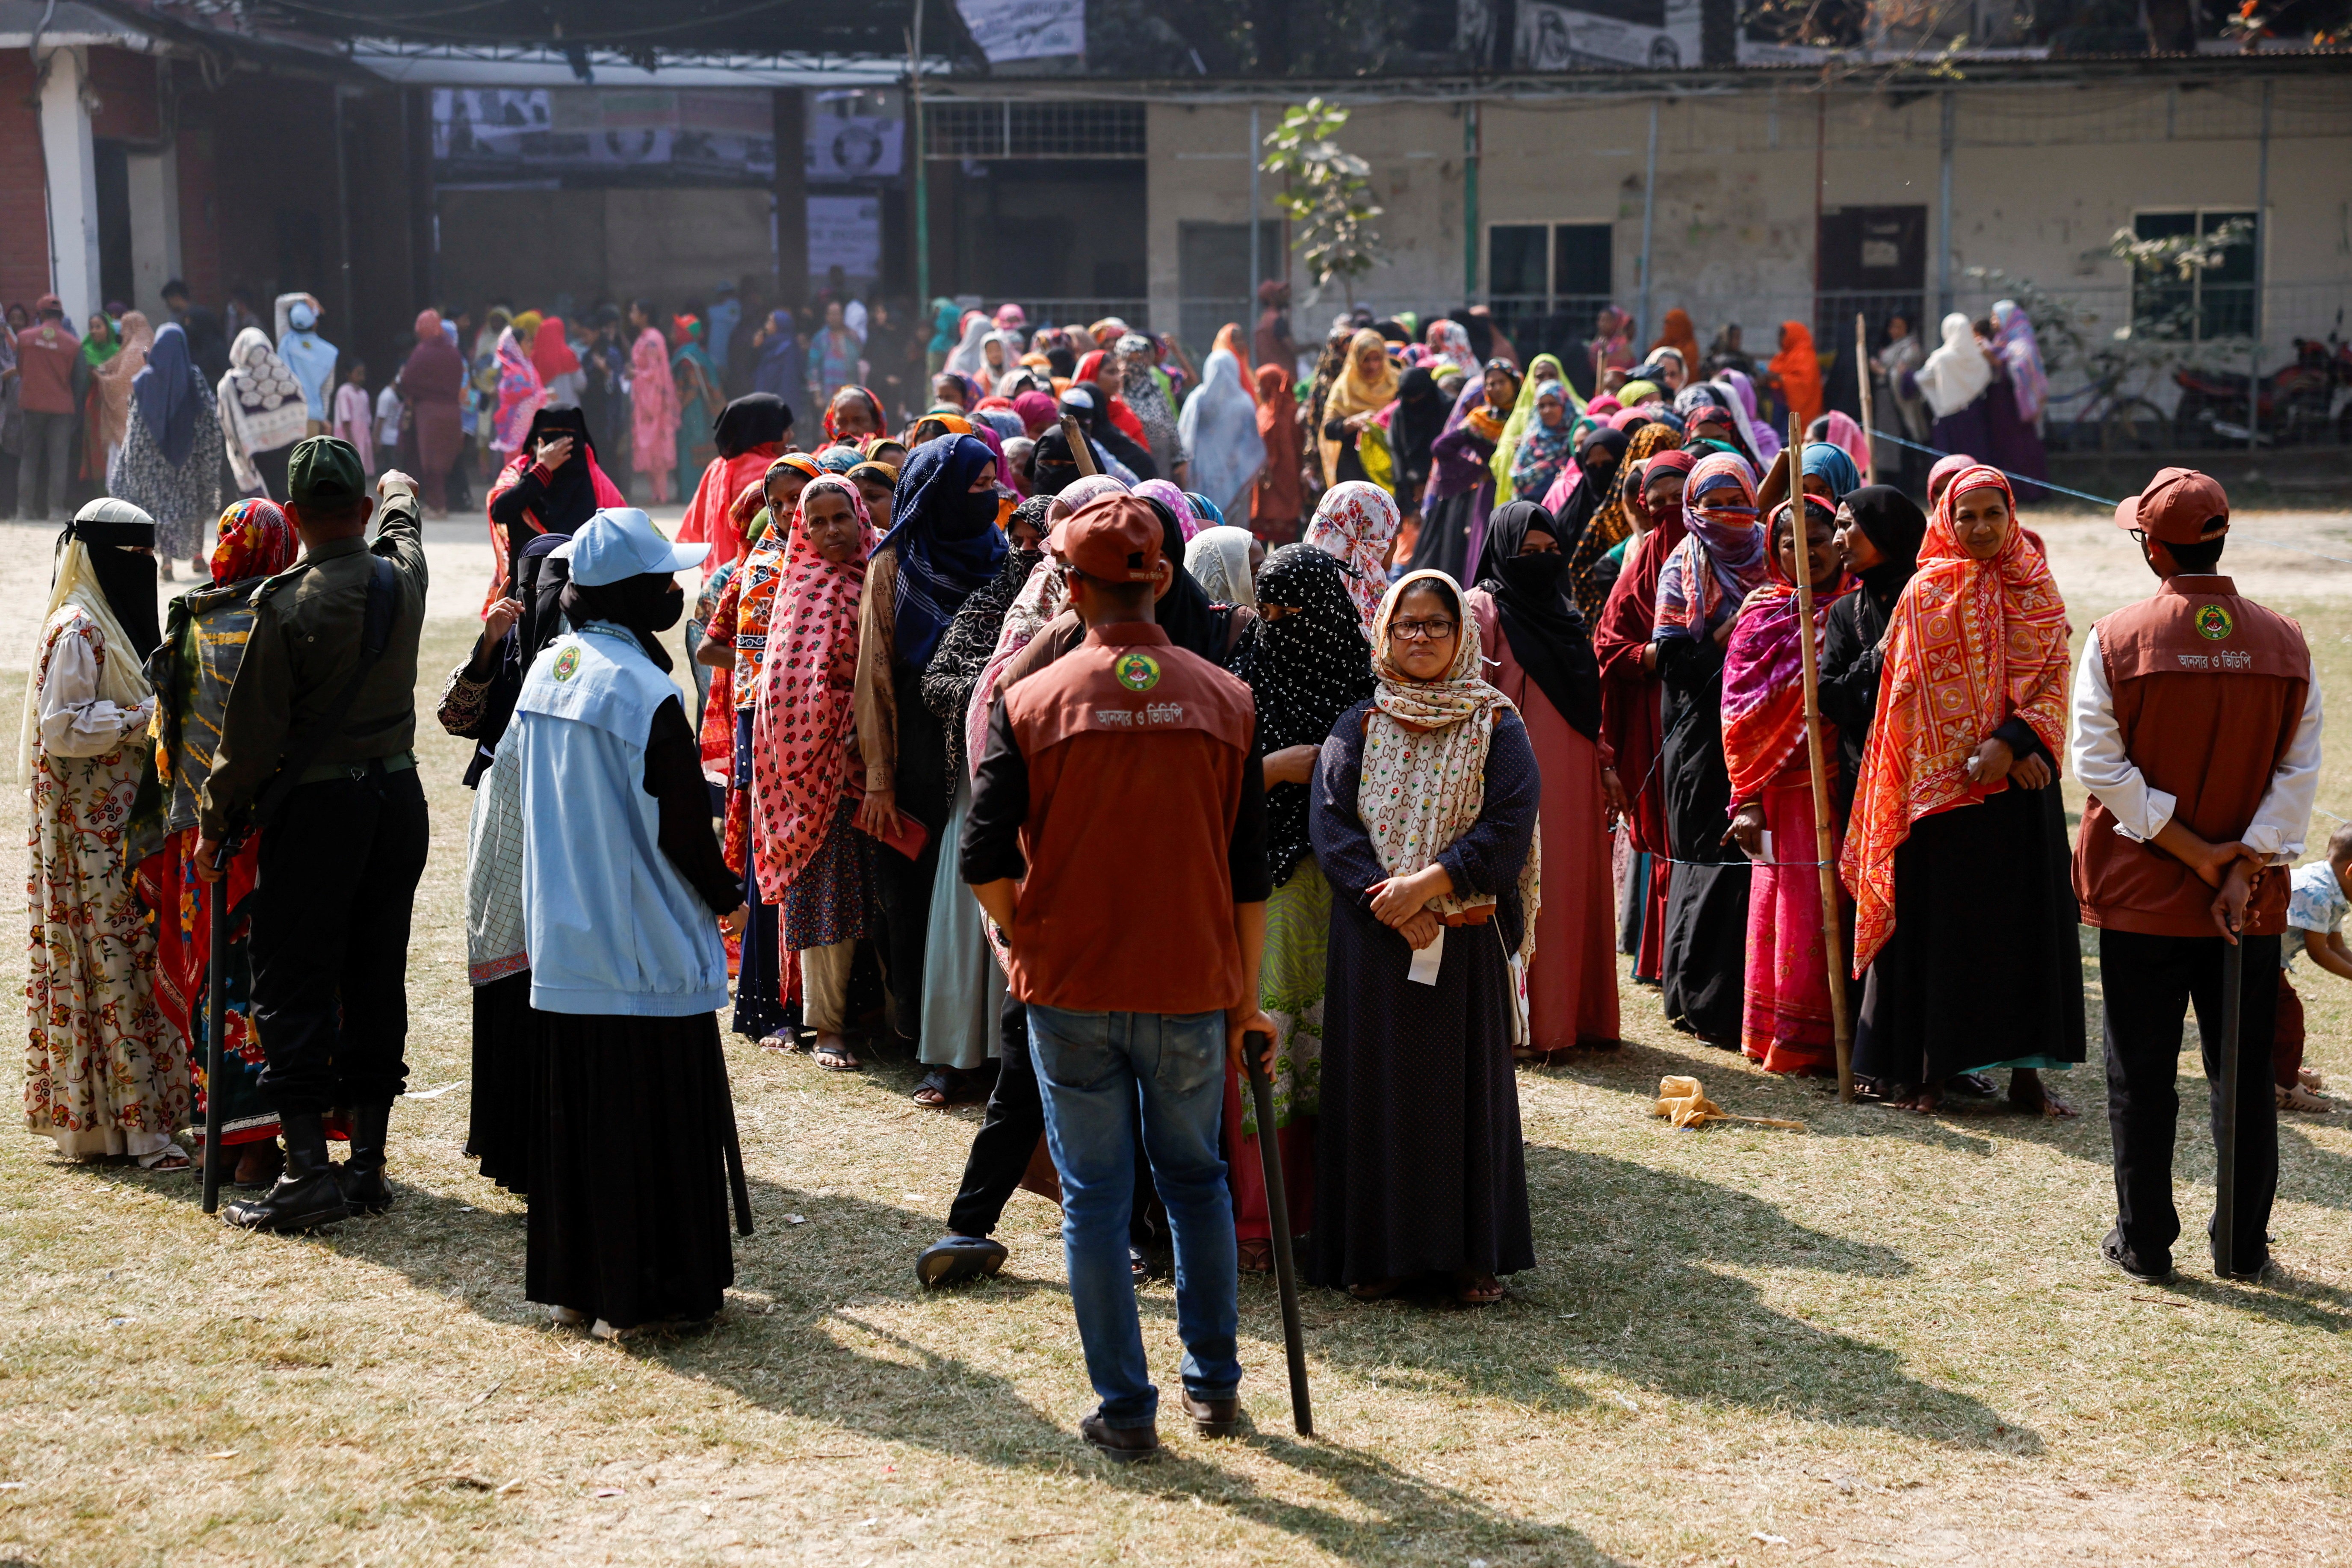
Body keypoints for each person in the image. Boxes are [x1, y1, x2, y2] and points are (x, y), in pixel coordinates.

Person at [959, 493, 1274, 1458]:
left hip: (1071, 986)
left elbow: (982, 858)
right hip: (1189, 983)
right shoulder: (1227, 699)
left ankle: (1125, 1409)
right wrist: (1246, 996)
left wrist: (1021, 940)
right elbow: (1250, 869)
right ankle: (1213, 1389)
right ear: (1162, 578)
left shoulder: (1028, 697)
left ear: (1068, 585)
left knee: (1096, 1200)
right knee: (1195, 1183)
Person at [2071, 469, 2318, 1283]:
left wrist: (2194, 850)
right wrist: (2240, 863)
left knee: (2141, 1077)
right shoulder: (2285, 640)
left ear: (2154, 546)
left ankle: (2144, 1244)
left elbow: (2100, 769)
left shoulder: (2115, 639)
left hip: (2145, 898)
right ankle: (2243, 1248)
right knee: (2241, 1080)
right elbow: (2298, 771)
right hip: (2247, 905)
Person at [509, 508, 746, 1337]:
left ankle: (580, 1287)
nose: (676, 589)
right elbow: (684, 827)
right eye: (664, 580)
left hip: (570, 941)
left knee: (581, 1128)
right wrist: (728, 895)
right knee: (653, 1126)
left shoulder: (549, 669)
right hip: (641, 939)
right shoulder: (645, 690)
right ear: (631, 592)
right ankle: (655, 1294)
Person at [197, 442, 430, 1231]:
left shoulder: (287, 606)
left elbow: (249, 745)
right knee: (376, 974)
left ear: (292, 519)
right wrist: (401, 492)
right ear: (360, 510)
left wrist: (212, 826)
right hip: (397, 799)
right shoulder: (404, 582)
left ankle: (308, 1173)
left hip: (321, 813)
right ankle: (366, 1167)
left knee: (291, 986)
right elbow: (406, 530)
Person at [1310, 568, 1539, 1306]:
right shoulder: (1361, 721)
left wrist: (1428, 885)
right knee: (1375, 1094)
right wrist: (1390, 898)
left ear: (1462, 633)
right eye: (1406, 623)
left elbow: (1506, 827)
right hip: (1376, 940)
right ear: (1384, 631)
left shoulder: (1498, 723)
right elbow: (1331, 821)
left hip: (1459, 937)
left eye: (1437, 624)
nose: (1420, 637)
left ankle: (1469, 1259)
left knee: (1458, 1094)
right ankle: (1380, 1255)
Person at [1844, 465, 2083, 1116]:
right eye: (1967, 515)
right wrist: (1978, 757)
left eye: (1993, 515)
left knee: (2024, 929)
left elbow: (2055, 681)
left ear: (2012, 517)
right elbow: (1904, 701)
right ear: (1947, 518)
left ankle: (2028, 1074)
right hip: (1938, 798)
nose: (1980, 528)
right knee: (1942, 933)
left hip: (2018, 792)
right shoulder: (1924, 591)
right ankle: (1929, 1071)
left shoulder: (2036, 584)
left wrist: (2017, 743)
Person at [127, 498, 303, 1187]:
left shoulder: (188, 624)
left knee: (212, 985)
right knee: (265, 985)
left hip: (196, 836)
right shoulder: (278, 619)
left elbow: (166, 744)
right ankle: (259, 1146)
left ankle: (221, 1140)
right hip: (265, 837)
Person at [21, 499, 181, 1168]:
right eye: (133, 559)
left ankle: (138, 1120)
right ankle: (130, 1131)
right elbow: (64, 726)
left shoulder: (109, 624)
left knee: (134, 966)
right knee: (110, 968)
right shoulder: (79, 629)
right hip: (90, 838)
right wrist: (142, 714)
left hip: (121, 828)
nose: (143, 570)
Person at [856, 434, 1008, 1054]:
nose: (989, 497)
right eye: (976, 486)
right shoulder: (894, 566)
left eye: (992, 485)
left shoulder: (1003, 557)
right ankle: (922, 1034)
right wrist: (881, 777)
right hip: (914, 753)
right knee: (913, 901)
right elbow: (876, 678)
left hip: (983, 755)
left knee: (982, 895)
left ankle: (985, 1039)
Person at [910, 499, 1055, 1107]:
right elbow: (935, 681)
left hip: (1050, 789)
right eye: (1015, 538)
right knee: (963, 924)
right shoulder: (988, 604)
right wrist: (995, 690)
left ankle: (1013, 1063)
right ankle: (950, 1058)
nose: (1025, 551)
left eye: (1038, 540)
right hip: (981, 775)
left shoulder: (1083, 609)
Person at [1466, 499, 1622, 1055]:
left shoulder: (1565, 612)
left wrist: (1605, 765)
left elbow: (1587, 702)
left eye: (1551, 551)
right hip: (1517, 774)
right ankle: (1534, 1026)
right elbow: (1469, 694)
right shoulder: (1482, 608)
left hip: (1576, 776)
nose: (1542, 562)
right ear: (1504, 553)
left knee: (1572, 890)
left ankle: (1578, 1018)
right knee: (1534, 890)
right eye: (1528, 553)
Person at [1721, 496, 1853, 1075]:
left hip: (1845, 788)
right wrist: (1747, 797)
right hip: (1782, 794)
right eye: (1789, 543)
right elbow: (1738, 712)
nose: (1807, 553)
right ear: (1773, 552)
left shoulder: (1858, 607)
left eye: (1819, 538)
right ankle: (1786, 1036)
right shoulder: (1761, 616)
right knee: (1790, 912)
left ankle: (1844, 1039)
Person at [1651, 452, 1766, 1045]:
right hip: (1698, 732)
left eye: (1736, 502)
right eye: (1712, 504)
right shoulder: (1684, 565)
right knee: (1704, 855)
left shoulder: (1773, 553)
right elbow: (1672, 659)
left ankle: (1741, 996)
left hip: (1762, 729)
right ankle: (1693, 994)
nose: (1725, 516)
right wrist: (1732, 631)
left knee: (1751, 865)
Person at [1593, 446, 1696, 984]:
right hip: (1656, 717)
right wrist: (1659, 655)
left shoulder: (1729, 555)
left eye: (1680, 500)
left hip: (1721, 716)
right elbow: (1609, 643)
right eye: (1655, 504)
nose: (1668, 513)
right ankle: (1662, 958)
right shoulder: (1643, 566)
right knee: (1665, 833)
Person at [1817, 485, 1927, 828]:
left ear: (1885, 527)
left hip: (1932, 783)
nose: (1837, 541)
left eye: (1847, 526)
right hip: (1867, 781)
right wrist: (1878, 655)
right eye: (1835, 528)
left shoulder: (1935, 600)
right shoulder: (1846, 611)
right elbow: (1831, 698)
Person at [110, 323, 223, 580]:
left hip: (154, 462)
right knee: (192, 506)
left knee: (160, 509)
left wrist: (132, 464)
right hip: (188, 458)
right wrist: (208, 454)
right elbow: (208, 419)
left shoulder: (145, 381)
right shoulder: (193, 376)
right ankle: (197, 557)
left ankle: (167, 563)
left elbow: (135, 429)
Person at [486, 406, 626, 608]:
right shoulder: (519, 474)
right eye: (552, 441)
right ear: (539, 443)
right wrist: (542, 470)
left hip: (581, 599)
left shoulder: (599, 486)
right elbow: (500, 511)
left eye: (568, 442)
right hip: (525, 599)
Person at [1409, 360, 1519, 582]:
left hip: (1521, 487)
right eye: (1490, 384)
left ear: (1515, 384)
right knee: (1486, 543)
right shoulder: (1481, 418)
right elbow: (1441, 446)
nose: (1495, 388)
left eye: (1501, 382)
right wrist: (1477, 471)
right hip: (1491, 490)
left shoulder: (1526, 415)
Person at [2276, 826, 2350, 1114]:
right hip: (2253, 957)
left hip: (2269, 958)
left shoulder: (2332, 890)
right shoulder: (2317, 893)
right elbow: (2320, 953)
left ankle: (2281, 1070)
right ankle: (2283, 1086)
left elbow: (2338, 947)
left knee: (2273, 1018)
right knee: (2287, 1018)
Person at [678, 393, 793, 566]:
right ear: (766, 432)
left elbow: (696, 528)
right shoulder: (775, 471)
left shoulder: (716, 467)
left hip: (718, 574)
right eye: (784, 430)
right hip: (759, 573)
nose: (791, 435)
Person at [218, 327, 308, 513]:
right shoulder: (284, 373)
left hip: (256, 451)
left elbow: (225, 417)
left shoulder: (231, 383)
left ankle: (272, 533)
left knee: (265, 501)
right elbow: (301, 402)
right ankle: (292, 534)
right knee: (287, 491)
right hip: (288, 447)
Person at [1180, 338, 1265, 523]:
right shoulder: (1244, 402)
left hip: (1204, 472)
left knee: (1205, 518)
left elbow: (1184, 436)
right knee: (1234, 527)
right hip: (1234, 472)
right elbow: (1252, 445)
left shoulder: (1197, 399)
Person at [1302, 479, 1403, 630]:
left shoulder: (1296, 588)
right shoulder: (1393, 609)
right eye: (1391, 531)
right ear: (1370, 541)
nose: (1395, 539)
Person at [393, 310, 466, 517]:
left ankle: (437, 505)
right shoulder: (453, 352)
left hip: (429, 414)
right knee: (446, 459)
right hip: (452, 411)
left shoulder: (423, 352)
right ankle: (441, 502)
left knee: (430, 461)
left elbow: (407, 381)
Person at [15, 298, 79, 523]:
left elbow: (21, 369)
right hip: (61, 408)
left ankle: (24, 510)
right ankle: (55, 510)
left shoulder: (24, 338)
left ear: (40, 315)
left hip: (32, 404)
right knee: (58, 460)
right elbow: (78, 380)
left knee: (29, 457)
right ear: (61, 317)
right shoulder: (72, 344)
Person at [1906, 314, 1996, 473]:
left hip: (1949, 417)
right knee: (1975, 459)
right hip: (1974, 414)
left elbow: (1922, 378)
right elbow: (1987, 376)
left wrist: (1905, 375)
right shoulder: (1977, 356)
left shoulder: (1941, 358)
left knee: (1950, 463)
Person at [1317, 329, 1399, 494]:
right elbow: (1328, 430)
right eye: (1365, 360)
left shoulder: (1397, 383)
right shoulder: (1344, 387)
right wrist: (1351, 423)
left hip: (1390, 464)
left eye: (1377, 359)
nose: (1372, 366)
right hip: (1354, 468)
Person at [628, 301, 680, 505]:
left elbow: (655, 372)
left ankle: (661, 493)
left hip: (654, 401)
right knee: (647, 444)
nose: (631, 315)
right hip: (644, 400)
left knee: (656, 445)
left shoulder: (652, 339)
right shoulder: (645, 338)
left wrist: (635, 374)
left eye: (634, 311)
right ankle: (655, 493)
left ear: (644, 314)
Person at [275, 298, 337, 434]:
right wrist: (323, 418)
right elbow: (326, 391)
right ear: (315, 323)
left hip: (284, 417)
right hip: (311, 418)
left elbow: (280, 303)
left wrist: (305, 297)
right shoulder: (329, 353)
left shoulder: (285, 340)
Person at [1766, 320, 1823, 433]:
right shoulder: (1783, 357)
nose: (1780, 341)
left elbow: (1804, 383)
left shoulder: (1806, 356)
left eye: (1783, 336)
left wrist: (1780, 379)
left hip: (1796, 411)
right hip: (1781, 409)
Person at [332, 360, 375, 475]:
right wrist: (350, 438)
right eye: (358, 373)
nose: (362, 377)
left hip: (362, 432)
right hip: (348, 432)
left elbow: (367, 416)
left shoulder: (363, 394)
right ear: (349, 374)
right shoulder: (344, 392)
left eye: (363, 373)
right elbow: (345, 417)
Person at [531, 317, 583, 410]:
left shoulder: (535, 358)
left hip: (545, 411)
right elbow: (581, 385)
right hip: (570, 409)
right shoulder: (569, 355)